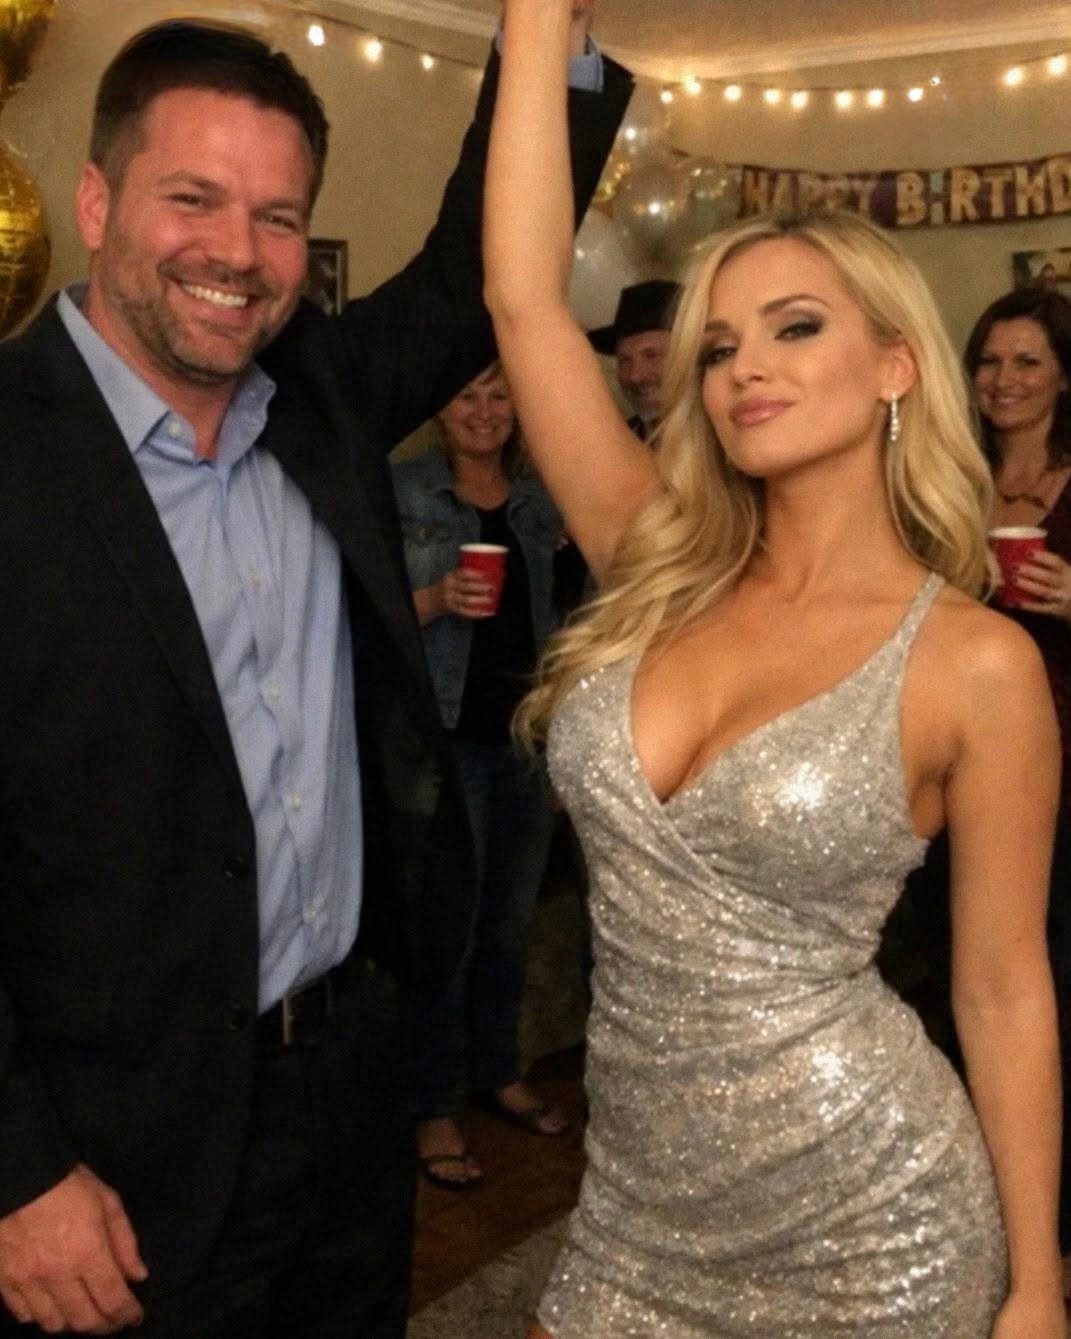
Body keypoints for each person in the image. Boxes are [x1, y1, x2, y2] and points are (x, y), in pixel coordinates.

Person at [0, 15, 630, 1338]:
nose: (237, 251)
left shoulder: (320, 396)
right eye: (194, 198)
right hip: (109, 1141)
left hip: (348, 1086)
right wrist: (17, 1168)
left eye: (278, 216)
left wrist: (550, 30)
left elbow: (472, 269)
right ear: (98, 201)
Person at [483, 2, 1065, 1334]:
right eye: (721, 345)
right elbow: (522, 298)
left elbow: (1000, 987)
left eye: (794, 328)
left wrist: (1037, 1279)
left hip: (876, 1222)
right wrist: (534, 21)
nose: (745, 366)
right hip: (630, 1223)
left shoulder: (972, 663)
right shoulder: (653, 556)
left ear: (893, 365)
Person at [392, 363, 568, 1190]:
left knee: (507, 926)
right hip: (446, 744)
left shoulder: (541, 501)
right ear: (440, 408)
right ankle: (431, 1103)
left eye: (499, 395)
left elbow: (569, 619)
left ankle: (497, 1071)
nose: (484, 410)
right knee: (448, 932)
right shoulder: (405, 489)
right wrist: (435, 597)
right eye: (467, 394)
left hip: (525, 741)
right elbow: (365, 606)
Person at [587, 277, 681, 440]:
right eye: (625, 360)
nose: (635, 376)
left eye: (651, 355)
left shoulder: (721, 442)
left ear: (690, 356)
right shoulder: (613, 444)